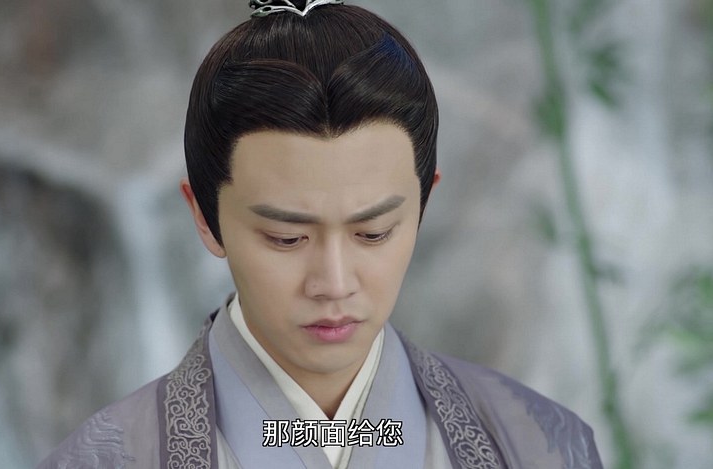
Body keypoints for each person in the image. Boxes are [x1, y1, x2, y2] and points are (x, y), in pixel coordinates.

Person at [38, 1, 603, 467]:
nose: (334, 283)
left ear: (424, 204)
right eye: (287, 238)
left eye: (374, 232)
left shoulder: (544, 445)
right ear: (205, 217)